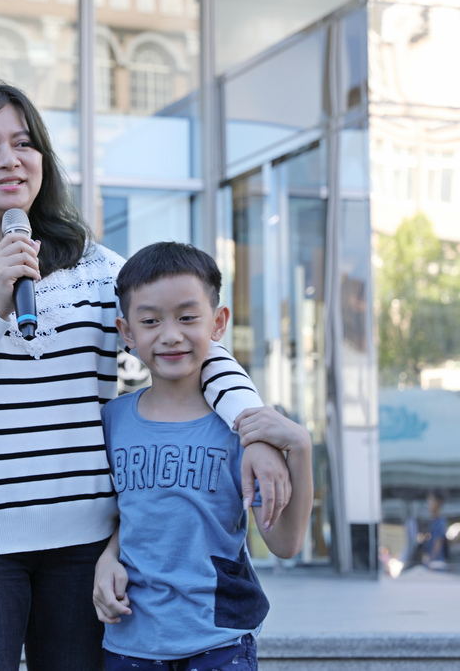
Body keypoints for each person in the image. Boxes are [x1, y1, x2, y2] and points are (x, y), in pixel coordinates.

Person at [0, 81, 292, 671]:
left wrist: (254, 429)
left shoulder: (97, 270)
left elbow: (190, 350)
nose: (8, 160)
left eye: (23, 142)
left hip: (82, 546)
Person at [93, 241, 313, 670]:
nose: (171, 334)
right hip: (130, 641)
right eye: (151, 320)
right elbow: (127, 517)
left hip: (220, 641)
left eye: (188, 317)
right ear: (127, 332)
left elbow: (285, 543)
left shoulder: (247, 430)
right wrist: (106, 558)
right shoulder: (111, 421)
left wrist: (300, 447)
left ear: (219, 321)